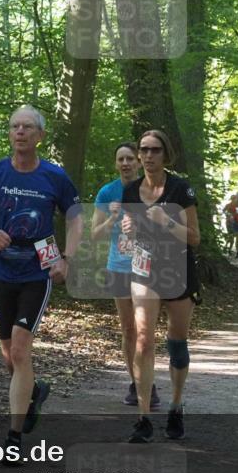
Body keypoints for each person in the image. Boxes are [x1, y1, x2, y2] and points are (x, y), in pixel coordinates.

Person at [0, 105, 82, 463]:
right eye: (15, 126)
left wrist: (66, 258)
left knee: (19, 349)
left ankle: (13, 439)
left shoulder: (54, 176)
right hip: (2, 271)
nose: (20, 132)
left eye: (27, 127)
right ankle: (33, 391)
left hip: (38, 270)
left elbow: (76, 218)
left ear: (40, 135)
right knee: (9, 357)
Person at [121, 129, 200, 443]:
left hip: (178, 269)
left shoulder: (180, 189)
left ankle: (176, 406)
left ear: (165, 154)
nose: (149, 155)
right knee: (143, 340)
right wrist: (128, 232)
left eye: (155, 150)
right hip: (145, 269)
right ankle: (143, 418)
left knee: (176, 343)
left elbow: (194, 238)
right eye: (144, 150)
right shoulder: (130, 192)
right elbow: (129, 241)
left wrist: (165, 221)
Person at [92, 142, 160, 410]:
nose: (126, 163)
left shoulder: (151, 188)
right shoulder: (107, 192)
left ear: (139, 161)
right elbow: (94, 234)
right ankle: (137, 383)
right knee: (129, 329)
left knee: (146, 331)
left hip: (147, 267)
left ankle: (147, 383)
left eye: (131, 158)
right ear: (115, 163)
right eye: (121, 159)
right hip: (118, 267)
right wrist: (112, 219)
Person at [223, 192, 238, 259]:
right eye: (237, 196)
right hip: (233, 223)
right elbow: (225, 211)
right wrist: (229, 215)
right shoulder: (231, 204)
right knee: (235, 237)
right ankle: (235, 251)